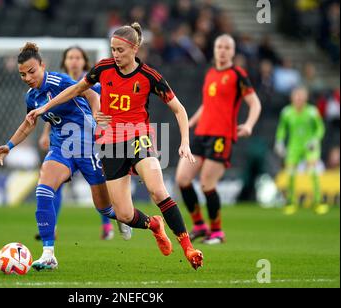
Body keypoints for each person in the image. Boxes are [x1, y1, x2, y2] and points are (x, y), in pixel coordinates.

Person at [26, 23, 204, 270]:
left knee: (157, 190)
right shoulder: (103, 68)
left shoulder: (150, 77)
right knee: (123, 214)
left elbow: (179, 109)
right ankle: (154, 225)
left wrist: (185, 142)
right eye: (113, 50)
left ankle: (189, 248)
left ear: (135, 48)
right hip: (111, 145)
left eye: (120, 50)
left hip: (138, 138)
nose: (116, 55)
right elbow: (77, 89)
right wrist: (45, 108)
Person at [0, 42, 131, 271]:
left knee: (104, 209)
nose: (27, 77)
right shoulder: (31, 97)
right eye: (22, 74)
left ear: (42, 66)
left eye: (31, 71)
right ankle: (48, 254)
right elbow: (29, 125)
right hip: (61, 149)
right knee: (43, 189)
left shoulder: (61, 82)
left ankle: (124, 218)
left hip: (87, 146)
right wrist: (9, 145)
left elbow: (93, 97)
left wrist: (97, 118)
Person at [175, 34, 262, 244]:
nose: (222, 50)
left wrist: (249, 125)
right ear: (214, 50)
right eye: (219, 47)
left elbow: (255, 103)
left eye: (226, 47)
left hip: (221, 137)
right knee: (182, 179)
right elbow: (208, 104)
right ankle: (199, 225)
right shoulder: (211, 72)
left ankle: (217, 232)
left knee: (207, 184)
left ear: (232, 52)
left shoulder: (237, 74)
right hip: (201, 133)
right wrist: (191, 121)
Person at [36, 46, 116, 241]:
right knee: (55, 184)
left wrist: (103, 128)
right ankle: (51, 227)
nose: (73, 61)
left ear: (84, 62)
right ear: (64, 61)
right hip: (64, 144)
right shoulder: (58, 85)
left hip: (90, 143)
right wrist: (46, 133)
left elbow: (102, 106)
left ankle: (110, 223)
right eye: (70, 57)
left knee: (98, 186)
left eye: (77, 57)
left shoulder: (92, 84)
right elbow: (54, 114)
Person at [274, 86, 328, 215]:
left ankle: (318, 202)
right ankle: (291, 202)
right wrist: (279, 141)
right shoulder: (286, 112)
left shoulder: (312, 111)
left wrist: (315, 140)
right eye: (296, 96)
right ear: (291, 97)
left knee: (313, 171)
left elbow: (320, 128)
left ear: (306, 97)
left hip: (310, 145)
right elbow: (281, 129)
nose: (298, 98)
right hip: (294, 146)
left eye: (301, 96)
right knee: (291, 173)